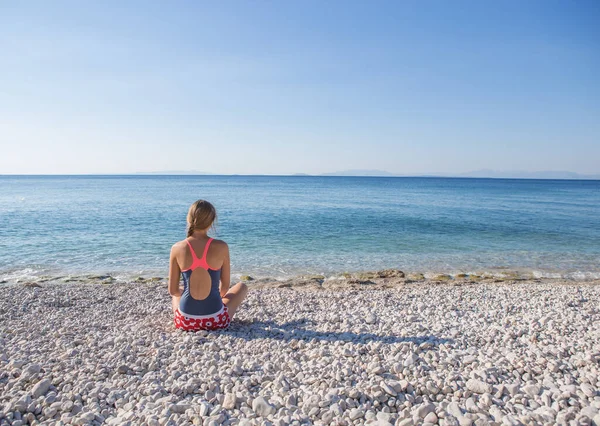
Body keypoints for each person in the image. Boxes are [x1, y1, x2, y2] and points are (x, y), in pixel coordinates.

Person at [169, 200, 248, 331]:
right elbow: (224, 287)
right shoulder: (222, 246)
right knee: (242, 286)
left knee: (180, 291)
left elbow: (173, 290)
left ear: (189, 219)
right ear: (211, 222)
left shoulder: (177, 248)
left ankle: (188, 314)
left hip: (185, 322)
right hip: (216, 320)